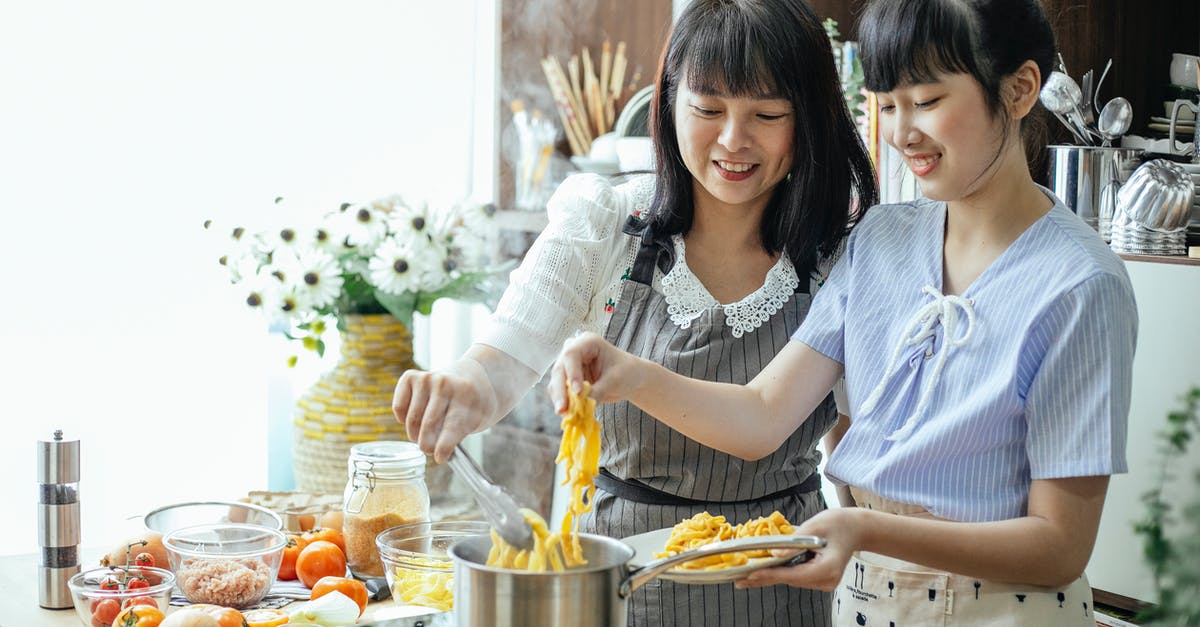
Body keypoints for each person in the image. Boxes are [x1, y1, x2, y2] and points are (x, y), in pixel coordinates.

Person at [548, 0, 1139, 625]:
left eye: (929, 100)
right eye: (887, 104)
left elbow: (1059, 546)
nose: (901, 132)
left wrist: (868, 529)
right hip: (864, 603)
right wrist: (631, 373)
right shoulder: (881, 240)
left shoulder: (1080, 285)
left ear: (1020, 90)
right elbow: (762, 416)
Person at [393, 0, 876, 624]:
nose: (733, 139)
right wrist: (460, 389)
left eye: (767, 114)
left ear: (806, 120)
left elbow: (854, 442)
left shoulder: (840, 255)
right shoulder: (608, 223)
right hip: (620, 586)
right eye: (707, 109)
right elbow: (502, 360)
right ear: (669, 102)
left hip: (783, 585)